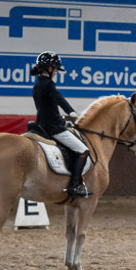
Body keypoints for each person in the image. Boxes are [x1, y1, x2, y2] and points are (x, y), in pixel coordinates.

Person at [30, 51, 89, 198]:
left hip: (42, 125)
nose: (56, 72)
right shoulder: (49, 84)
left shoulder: (37, 84)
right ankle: (74, 185)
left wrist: (62, 118)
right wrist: (71, 111)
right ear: (49, 68)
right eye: (55, 69)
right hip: (54, 128)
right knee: (83, 150)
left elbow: (47, 109)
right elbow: (58, 98)